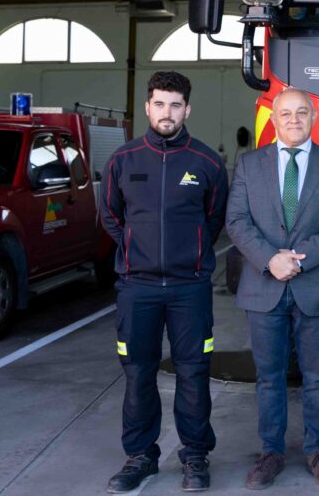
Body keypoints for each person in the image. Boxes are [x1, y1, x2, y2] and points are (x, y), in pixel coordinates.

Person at [100, 70, 229, 493]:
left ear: (187, 109)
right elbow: (111, 217)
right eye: (159, 103)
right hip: (136, 290)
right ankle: (141, 456)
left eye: (175, 105)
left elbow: (213, 220)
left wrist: (186, 254)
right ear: (147, 107)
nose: (167, 112)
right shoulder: (123, 160)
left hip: (189, 289)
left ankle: (195, 455)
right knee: (138, 373)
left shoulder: (207, 163)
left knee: (194, 372)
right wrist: (135, 251)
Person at [225, 88, 319, 490]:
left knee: (318, 377)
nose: (294, 119)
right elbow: (236, 220)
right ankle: (271, 453)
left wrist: (298, 259)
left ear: (314, 116)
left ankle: (318, 452)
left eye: (302, 112)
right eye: (286, 114)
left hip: (316, 286)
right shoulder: (249, 165)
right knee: (269, 378)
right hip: (264, 286)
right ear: (275, 119)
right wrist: (270, 258)